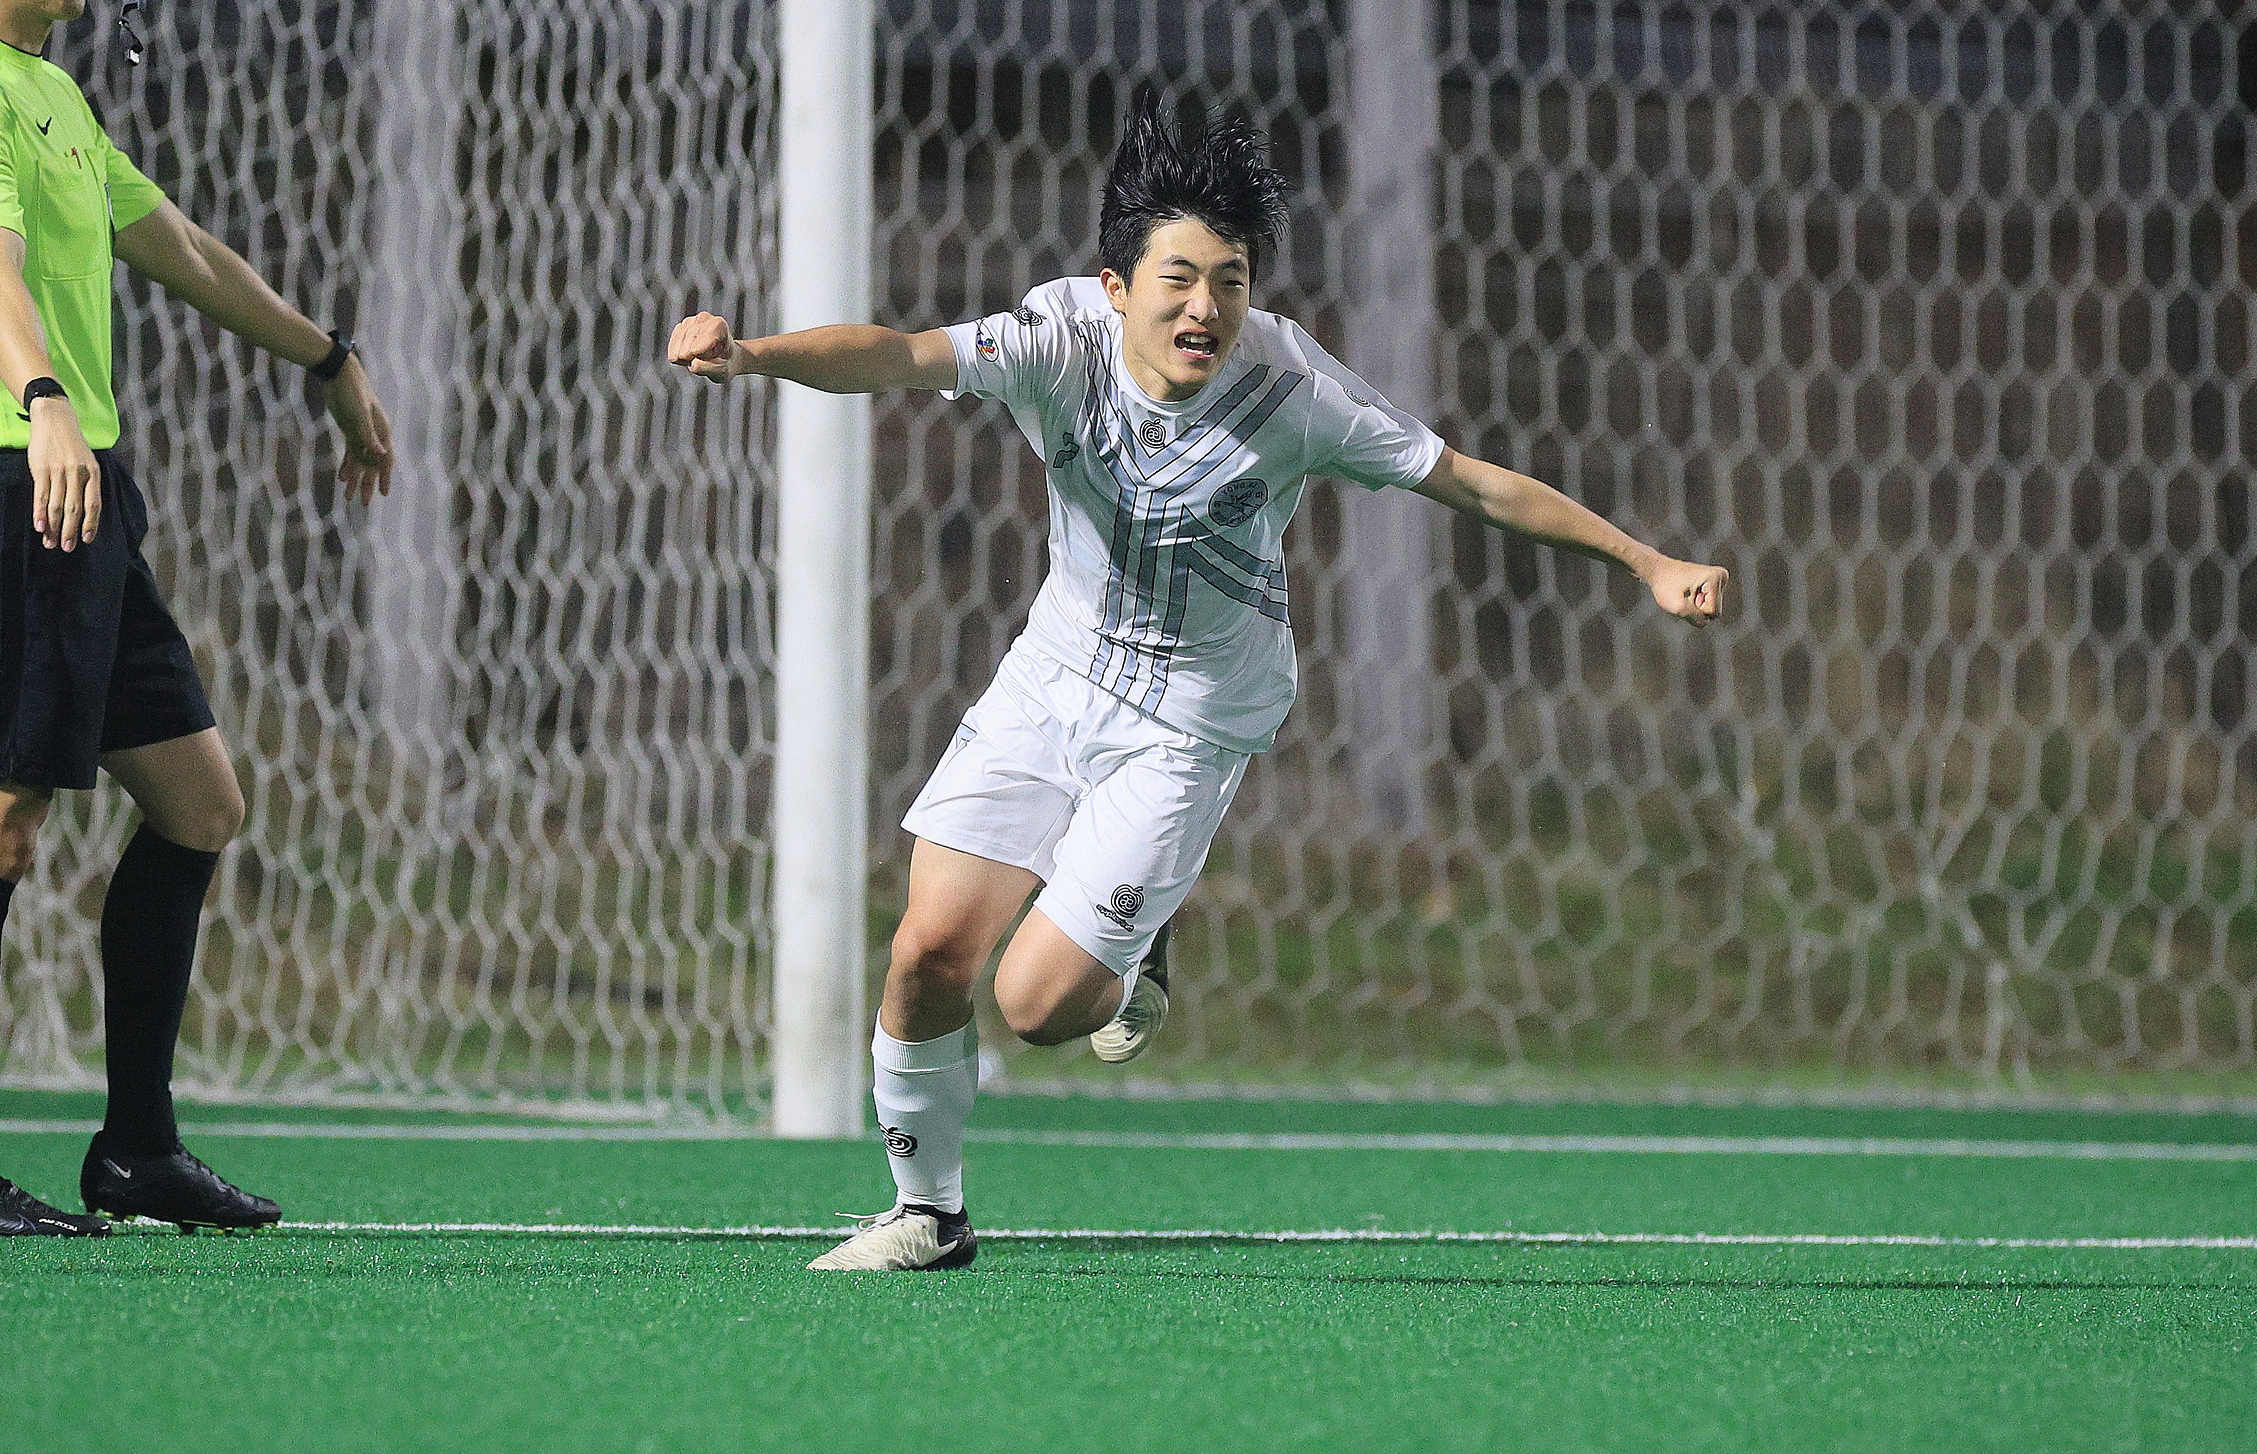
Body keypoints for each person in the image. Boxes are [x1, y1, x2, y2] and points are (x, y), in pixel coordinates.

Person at [668, 102, 1730, 1271]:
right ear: (1115, 286)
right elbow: (898, 355)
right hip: (1054, 676)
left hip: (1191, 719)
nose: (1206, 309)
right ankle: (930, 1214)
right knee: (928, 954)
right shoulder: (1054, 341)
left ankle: (1135, 947)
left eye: (1230, 282)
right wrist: (755, 354)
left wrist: (1646, 561)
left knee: (1036, 1006)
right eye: (1179, 279)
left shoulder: (1291, 388)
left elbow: (1470, 482)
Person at [0, 0, 394, 1235]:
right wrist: (43, 398)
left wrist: (327, 359)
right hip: (5, 489)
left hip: (82, 501)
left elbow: (182, 250)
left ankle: (136, 1151)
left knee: (200, 803)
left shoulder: (49, 92)